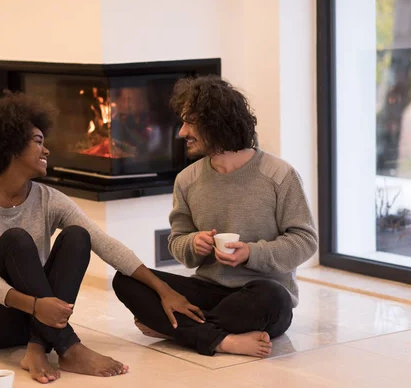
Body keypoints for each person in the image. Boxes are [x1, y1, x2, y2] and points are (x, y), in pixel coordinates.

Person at [0, 92, 204, 384]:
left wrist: (164, 289)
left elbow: (104, 243)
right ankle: (69, 347)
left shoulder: (49, 199)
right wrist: (35, 306)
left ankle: (37, 347)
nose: (46, 151)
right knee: (16, 240)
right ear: (9, 146)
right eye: (37, 142)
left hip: (34, 320)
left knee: (78, 236)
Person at [113, 76, 318, 357]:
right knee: (126, 280)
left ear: (216, 123)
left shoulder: (279, 175)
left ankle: (178, 329)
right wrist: (192, 243)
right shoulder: (187, 180)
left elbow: (305, 241)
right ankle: (222, 340)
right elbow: (177, 241)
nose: (181, 132)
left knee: (273, 298)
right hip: (207, 290)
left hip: (260, 295)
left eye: (190, 122)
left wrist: (250, 253)